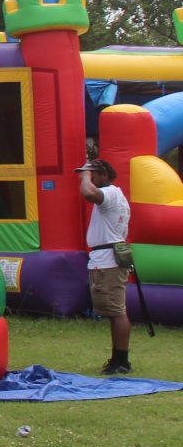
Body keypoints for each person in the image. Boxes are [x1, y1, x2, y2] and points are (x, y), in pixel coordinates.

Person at [80, 158, 133, 374]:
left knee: (116, 311)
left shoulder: (110, 193)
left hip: (108, 262)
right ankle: (118, 360)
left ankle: (121, 362)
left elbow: (88, 193)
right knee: (114, 311)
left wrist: (84, 174)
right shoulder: (115, 195)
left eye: (93, 175)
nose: (89, 179)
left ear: (104, 175)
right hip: (108, 259)